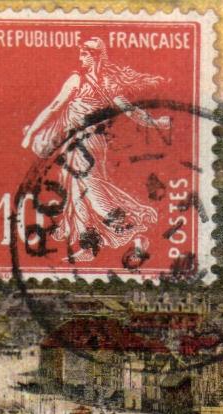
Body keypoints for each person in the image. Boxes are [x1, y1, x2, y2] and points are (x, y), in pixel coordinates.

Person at [20, 38, 171, 264]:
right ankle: (89, 247)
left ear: (93, 57)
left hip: (84, 145)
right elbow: (132, 111)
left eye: (83, 55)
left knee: (92, 194)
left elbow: (54, 107)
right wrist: (156, 123)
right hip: (93, 144)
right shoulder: (108, 83)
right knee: (79, 194)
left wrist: (32, 133)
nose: (80, 59)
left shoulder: (77, 80)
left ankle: (138, 230)